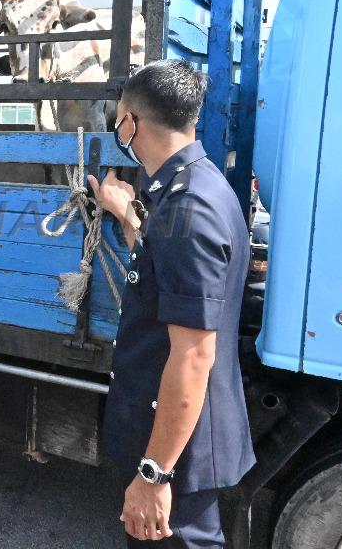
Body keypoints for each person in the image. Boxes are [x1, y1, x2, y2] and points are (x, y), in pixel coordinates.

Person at [88, 59, 255, 547]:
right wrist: (127, 220)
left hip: (177, 450)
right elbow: (170, 268)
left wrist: (153, 474)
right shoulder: (194, 185)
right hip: (176, 433)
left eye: (118, 117)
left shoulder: (189, 207)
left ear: (130, 123)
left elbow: (193, 355)